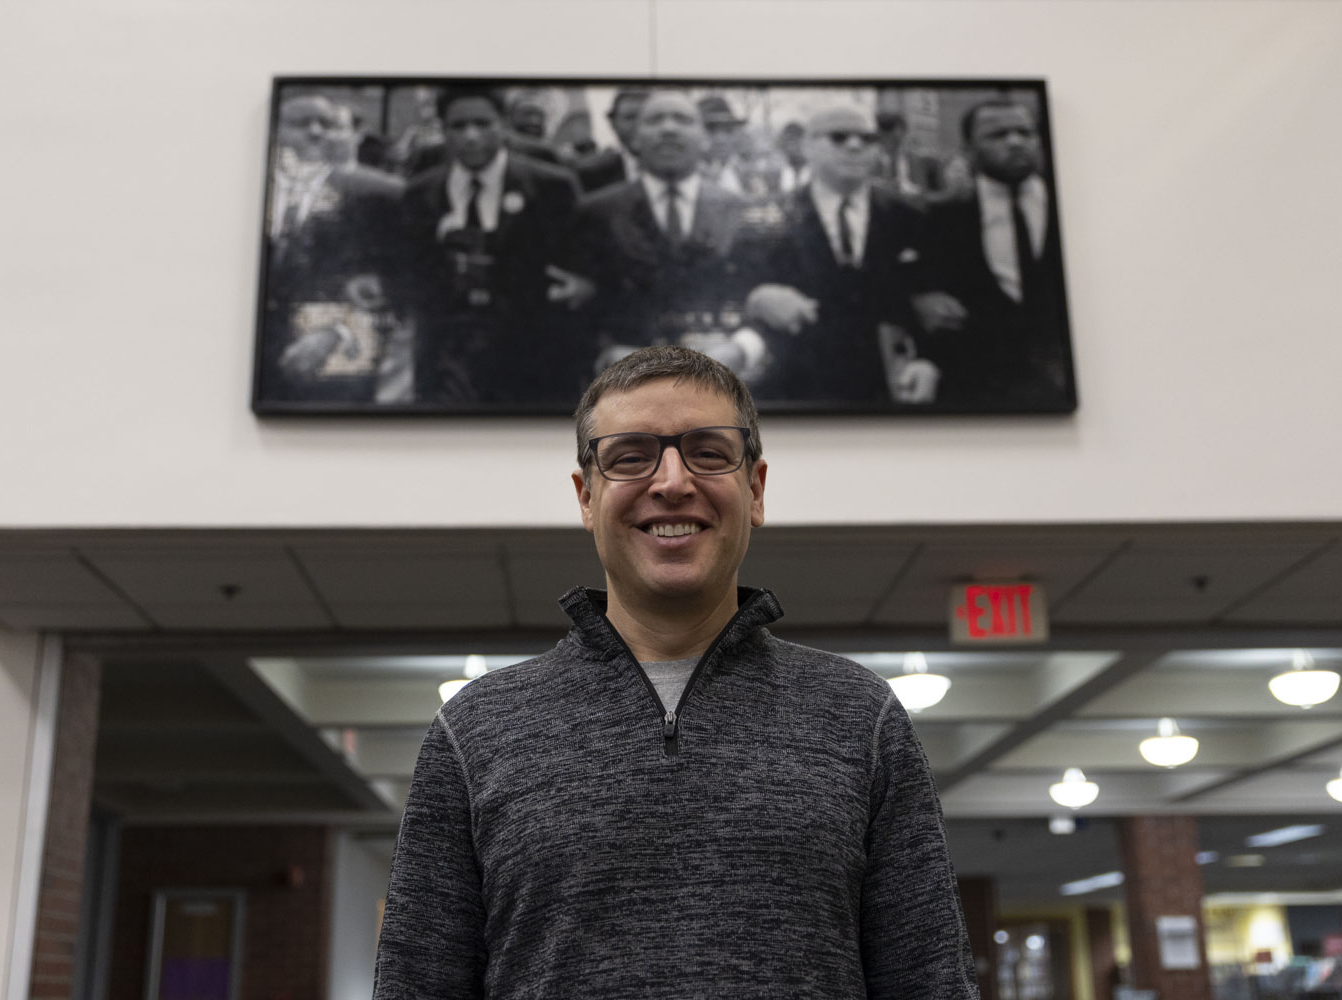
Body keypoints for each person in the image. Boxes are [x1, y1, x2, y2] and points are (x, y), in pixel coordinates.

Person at [373, 344, 981, 999]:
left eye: (709, 452)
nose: (671, 482)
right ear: (586, 497)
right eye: (630, 456)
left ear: (755, 489)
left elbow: (930, 982)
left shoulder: (861, 716)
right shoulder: (475, 731)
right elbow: (416, 985)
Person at [401, 85, 588, 405]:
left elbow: (580, 262)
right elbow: (407, 268)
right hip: (448, 355)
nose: (471, 136)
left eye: (483, 124)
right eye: (458, 127)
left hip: (534, 352)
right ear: (443, 130)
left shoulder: (552, 186)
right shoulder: (420, 193)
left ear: (503, 125)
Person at [746, 104, 939, 405]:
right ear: (808, 147)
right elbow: (745, 294)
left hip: (890, 390)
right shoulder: (773, 216)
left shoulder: (911, 214)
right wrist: (757, 299)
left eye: (867, 138)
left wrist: (928, 361)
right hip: (799, 389)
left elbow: (934, 300)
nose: (855, 145)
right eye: (839, 137)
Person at [567, 90, 763, 378]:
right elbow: (579, 304)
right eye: (655, 119)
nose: (668, 128)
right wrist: (606, 352)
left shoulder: (739, 209)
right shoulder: (597, 212)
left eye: (682, 119)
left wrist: (740, 349)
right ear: (635, 139)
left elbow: (760, 292)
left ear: (703, 138)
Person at [914, 98, 1074, 410]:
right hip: (977, 386)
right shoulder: (943, 216)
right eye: (997, 135)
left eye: (1024, 133)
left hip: (1062, 382)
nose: (1015, 142)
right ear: (968, 148)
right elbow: (927, 295)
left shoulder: (1073, 210)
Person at [260, 93, 407, 404]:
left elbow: (399, 280)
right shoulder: (254, 189)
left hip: (338, 352)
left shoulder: (381, 194)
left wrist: (340, 331)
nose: (315, 132)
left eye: (327, 124)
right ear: (274, 132)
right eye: (300, 123)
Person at [574, 87, 648, 192]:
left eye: (647, 117)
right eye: (630, 118)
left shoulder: (676, 171)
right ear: (613, 123)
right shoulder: (589, 174)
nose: (638, 125)